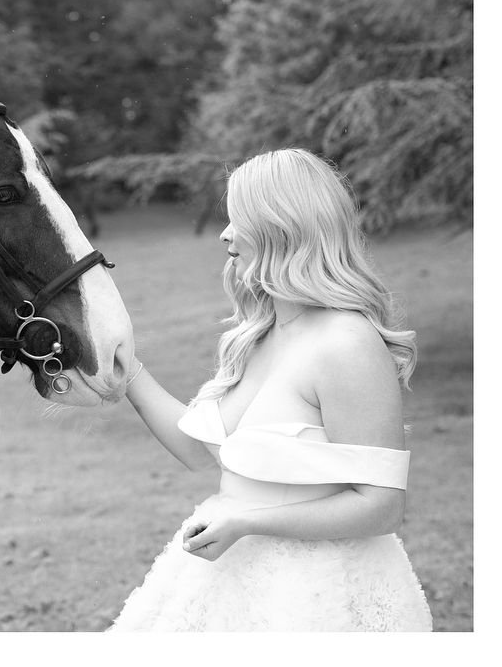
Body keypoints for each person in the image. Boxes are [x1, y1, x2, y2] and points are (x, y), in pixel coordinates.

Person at [110, 148, 432, 631]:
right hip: (229, 579)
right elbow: (201, 451)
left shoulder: (347, 344)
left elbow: (381, 506)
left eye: (238, 219)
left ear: (281, 226)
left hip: (317, 596)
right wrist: (127, 371)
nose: (224, 234)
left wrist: (248, 522)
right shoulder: (258, 335)